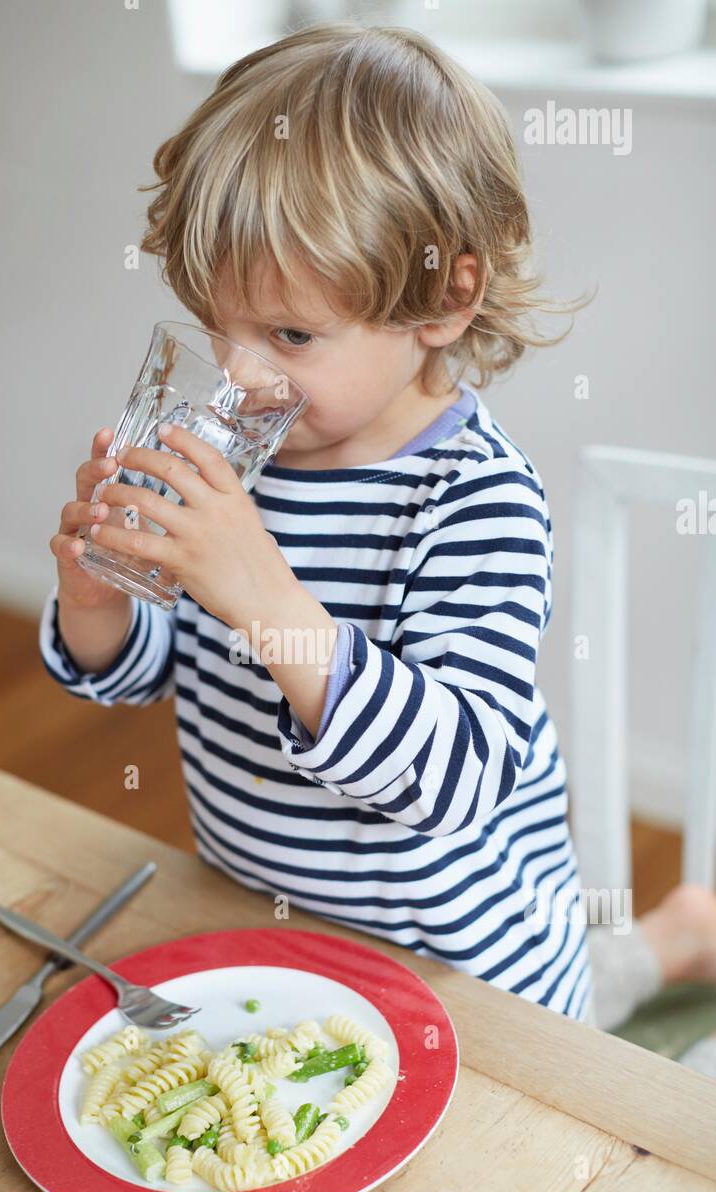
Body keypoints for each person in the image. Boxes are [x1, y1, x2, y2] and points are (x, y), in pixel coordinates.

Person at [38, 22, 716, 1057]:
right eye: (217, 325)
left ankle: (641, 950)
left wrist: (266, 596)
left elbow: (450, 780)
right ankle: (648, 945)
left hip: (469, 974)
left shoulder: (472, 501)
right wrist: (99, 604)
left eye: (290, 336)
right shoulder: (244, 458)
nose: (238, 376)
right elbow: (143, 672)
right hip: (277, 931)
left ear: (445, 300)